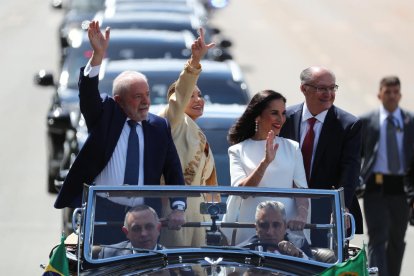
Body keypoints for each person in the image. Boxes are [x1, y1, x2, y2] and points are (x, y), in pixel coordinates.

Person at [54, 21, 186, 242]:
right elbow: (87, 94)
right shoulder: (105, 117)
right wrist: (97, 55)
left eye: (147, 95)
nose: (146, 102)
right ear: (119, 101)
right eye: (137, 97)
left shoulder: (158, 127)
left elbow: (173, 170)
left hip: (145, 217)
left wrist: (179, 206)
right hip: (105, 213)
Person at [279, 66, 363, 247]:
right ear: (304, 89)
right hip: (288, 209)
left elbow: (351, 169)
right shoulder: (286, 119)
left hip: (326, 212)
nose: (329, 93)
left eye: (333, 88)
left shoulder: (349, 125)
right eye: (322, 88)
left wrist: (340, 207)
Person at [222, 90, 309, 245]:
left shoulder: (292, 148)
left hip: (285, 231)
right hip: (250, 231)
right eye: (274, 113)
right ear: (257, 116)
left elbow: (301, 190)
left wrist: (301, 216)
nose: (280, 119)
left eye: (283, 113)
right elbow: (242, 192)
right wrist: (265, 162)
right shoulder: (237, 150)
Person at [157, 29, 218, 247]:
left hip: (198, 214)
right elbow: (181, 94)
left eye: (200, 95)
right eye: (191, 95)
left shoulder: (197, 131)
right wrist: (195, 61)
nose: (198, 99)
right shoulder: (172, 120)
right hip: (173, 210)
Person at [360, 76, 414, 276]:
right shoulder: (367, 121)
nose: (392, 96)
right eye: (387, 92)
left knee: (397, 240)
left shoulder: (410, 122)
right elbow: (356, 155)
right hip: (376, 187)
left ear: (400, 94)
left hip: (402, 189)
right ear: (379, 94)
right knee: (377, 238)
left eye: (395, 92)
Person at [238, 201, 312, 259]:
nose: (270, 232)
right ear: (256, 228)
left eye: (276, 225)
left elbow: (316, 271)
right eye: (264, 226)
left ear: (285, 227)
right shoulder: (243, 251)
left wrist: (299, 256)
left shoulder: (299, 244)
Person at [98, 205, 164, 258]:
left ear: (158, 229)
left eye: (149, 227)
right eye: (136, 229)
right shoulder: (108, 255)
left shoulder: (171, 258)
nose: (143, 234)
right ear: (126, 232)